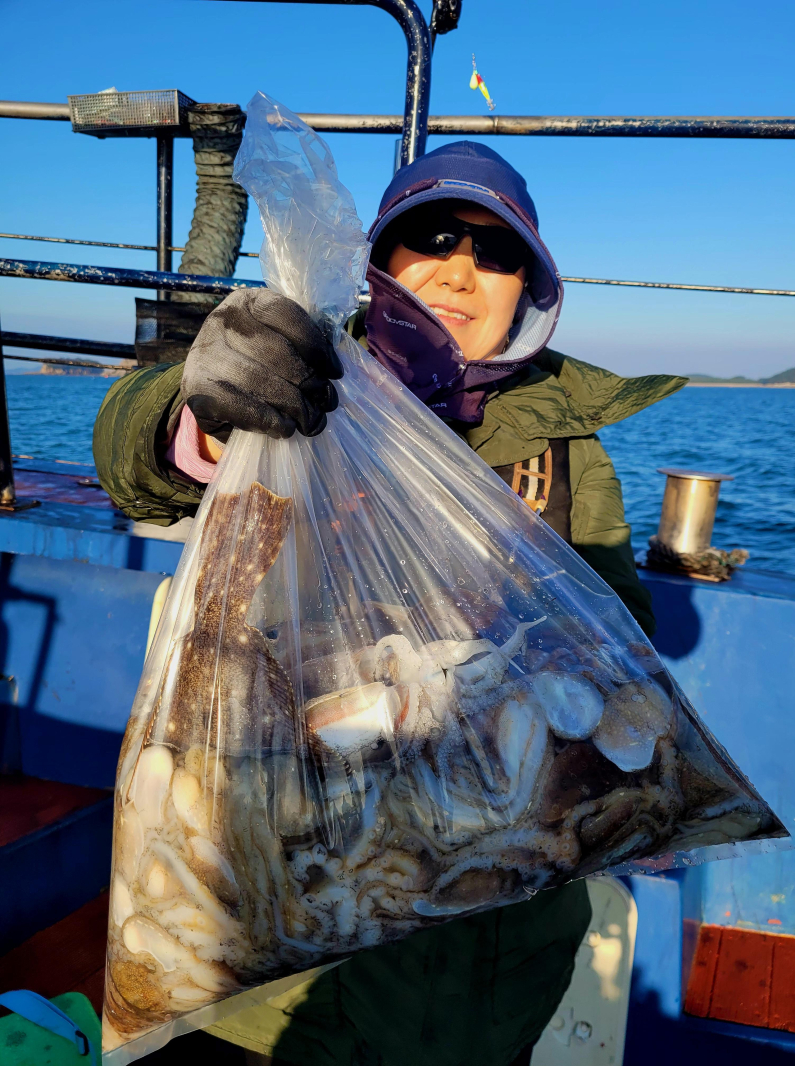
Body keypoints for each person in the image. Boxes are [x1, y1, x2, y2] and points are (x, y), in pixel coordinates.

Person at [94, 141, 685, 1066]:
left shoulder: (569, 449)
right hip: (280, 944)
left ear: (529, 286)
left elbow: (618, 646)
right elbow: (143, 466)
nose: (461, 268)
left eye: (498, 254)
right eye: (435, 235)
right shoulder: (306, 383)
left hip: (487, 962)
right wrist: (200, 411)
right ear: (381, 261)